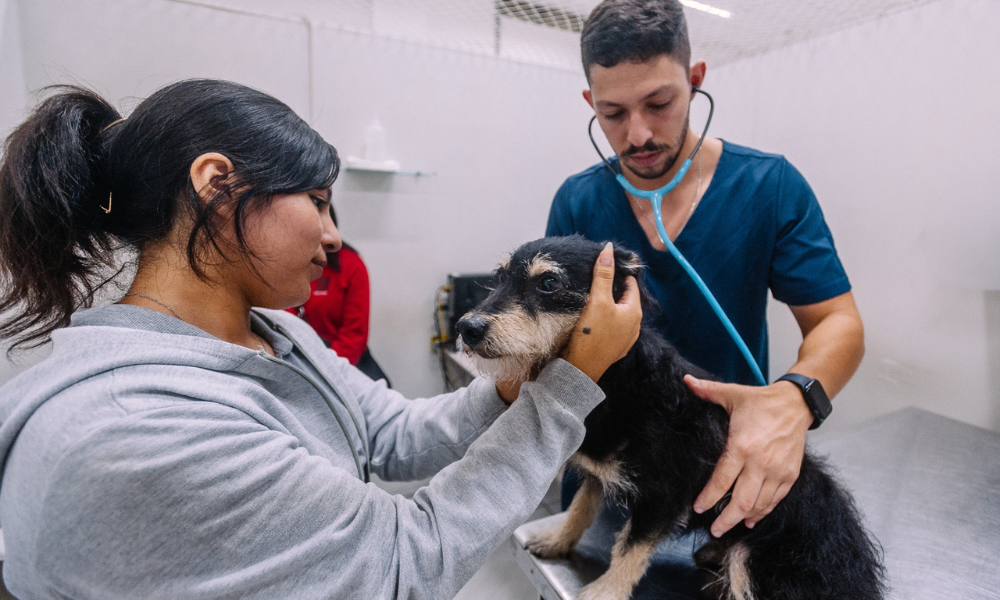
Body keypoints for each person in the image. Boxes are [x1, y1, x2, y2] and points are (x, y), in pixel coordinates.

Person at [0, 80, 643, 599]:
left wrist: (519, 380)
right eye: (317, 200)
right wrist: (565, 391)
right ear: (217, 185)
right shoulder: (139, 428)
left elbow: (393, 433)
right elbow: (400, 564)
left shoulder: (276, 333)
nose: (334, 237)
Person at [547, 0, 865, 538]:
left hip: (723, 470)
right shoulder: (578, 203)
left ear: (695, 81)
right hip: (607, 479)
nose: (640, 135)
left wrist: (795, 398)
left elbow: (839, 323)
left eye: (660, 102)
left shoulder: (769, 188)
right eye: (613, 114)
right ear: (590, 103)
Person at [287, 206, 390, 385]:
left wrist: (326, 374)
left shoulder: (351, 265)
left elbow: (353, 336)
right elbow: (284, 326)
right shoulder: (285, 263)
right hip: (297, 365)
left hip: (340, 368)